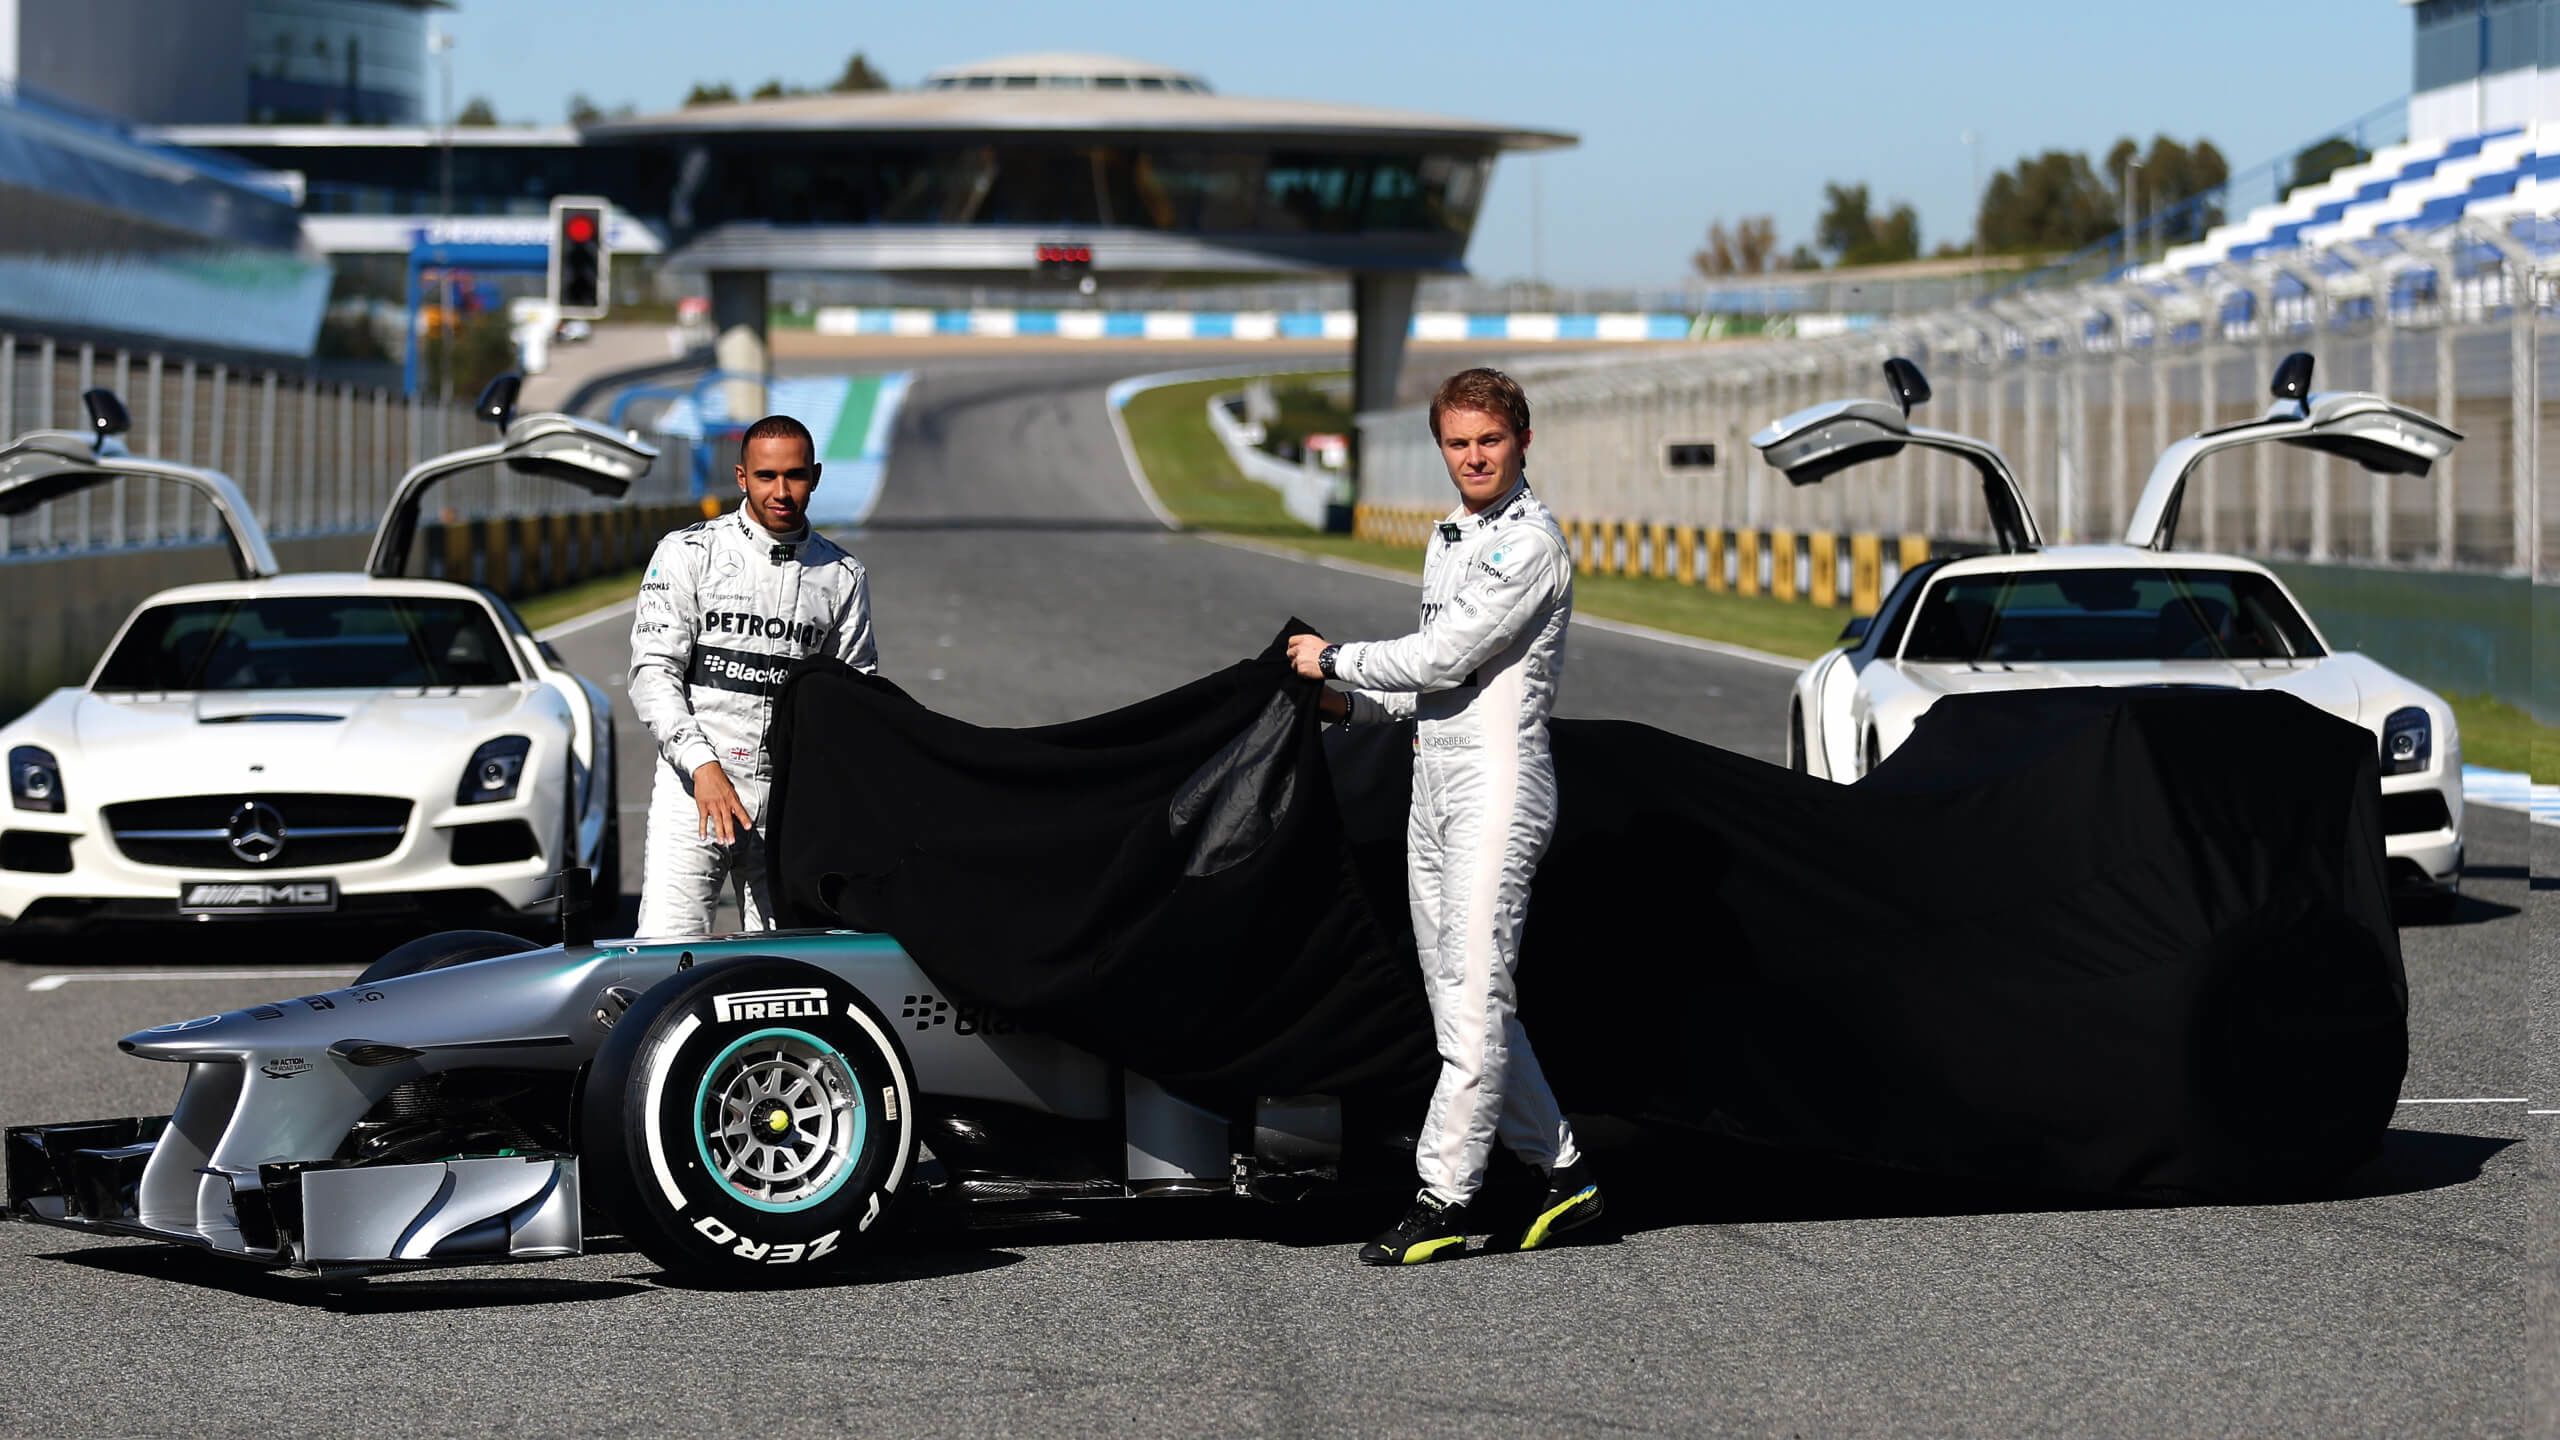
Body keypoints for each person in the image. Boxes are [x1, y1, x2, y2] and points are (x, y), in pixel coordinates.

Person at [1285, 367, 1602, 1265]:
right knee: (1464, 1003)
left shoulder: (1529, 543)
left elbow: (1448, 655)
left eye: (1489, 441)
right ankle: (1566, 1174)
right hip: (1436, 783)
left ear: (1523, 442)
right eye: (1458, 443)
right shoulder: (1455, 535)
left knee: (1471, 994)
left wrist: (1335, 658)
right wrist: (1348, 706)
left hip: (1498, 787)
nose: (1473, 457)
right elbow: (1431, 687)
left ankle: (1449, 1195)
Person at [629, 413, 877, 935]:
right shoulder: (689, 553)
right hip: (694, 789)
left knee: (782, 970)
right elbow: (653, 674)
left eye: (795, 475)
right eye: (766, 476)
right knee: (664, 955)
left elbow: (857, 703)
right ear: (742, 477)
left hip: (788, 804)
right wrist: (702, 767)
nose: (781, 491)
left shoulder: (842, 576)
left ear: (816, 475)